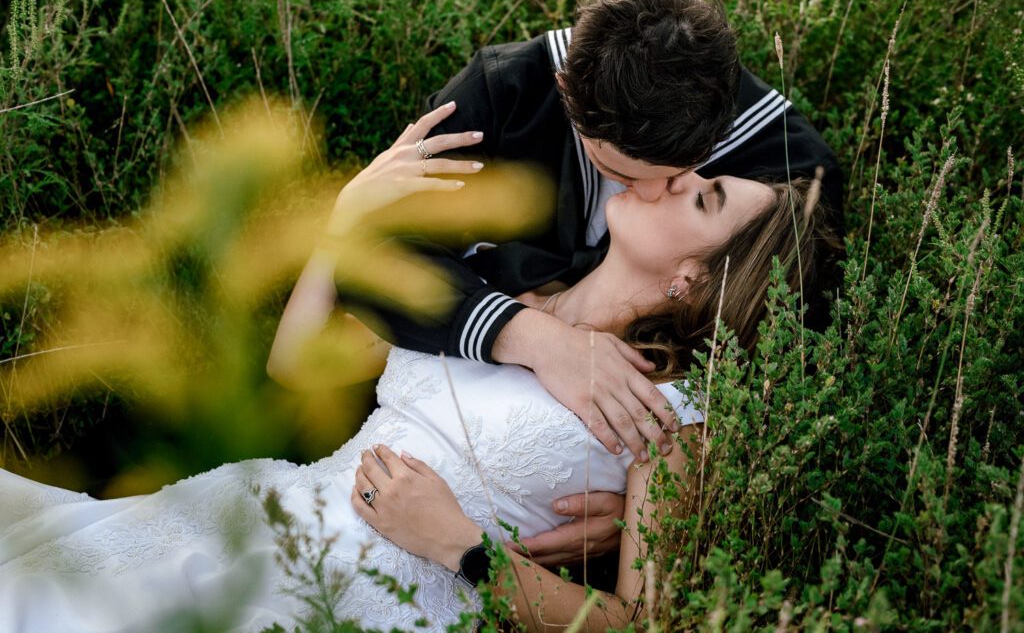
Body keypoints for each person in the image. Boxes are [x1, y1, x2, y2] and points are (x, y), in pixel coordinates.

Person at [0, 106, 836, 632]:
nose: (678, 175)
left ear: (696, 279)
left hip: (374, 601)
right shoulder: (502, 293)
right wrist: (345, 224)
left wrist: (463, 546)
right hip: (256, 512)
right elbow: (297, 366)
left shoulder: (669, 410)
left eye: (704, 196)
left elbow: (645, 620)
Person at [340, 0, 843, 565]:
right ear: (566, 94)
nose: (656, 190)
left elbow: (784, 360)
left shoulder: (792, 175)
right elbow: (374, 257)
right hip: (385, 447)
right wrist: (533, 336)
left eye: (682, 170)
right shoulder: (505, 91)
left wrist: (636, 509)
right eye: (623, 172)